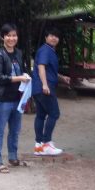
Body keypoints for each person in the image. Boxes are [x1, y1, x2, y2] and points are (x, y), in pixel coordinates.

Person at [0, 23, 31, 172]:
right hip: (2, 99)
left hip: (17, 98)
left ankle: (13, 157)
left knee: (15, 130)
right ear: (2, 37)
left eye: (14, 35)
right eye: (8, 35)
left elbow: (22, 70)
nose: (11, 38)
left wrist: (25, 76)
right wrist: (19, 78)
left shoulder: (18, 53)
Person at [32, 27, 63, 156]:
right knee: (54, 113)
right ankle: (46, 143)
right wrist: (45, 85)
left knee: (40, 115)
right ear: (46, 37)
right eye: (51, 35)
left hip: (37, 88)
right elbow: (41, 67)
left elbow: (49, 70)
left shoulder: (46, 50)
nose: (54, 38)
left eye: (56, 36)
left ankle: (39, 146)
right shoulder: (46, 50)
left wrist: (62, 77)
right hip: (45, 88)